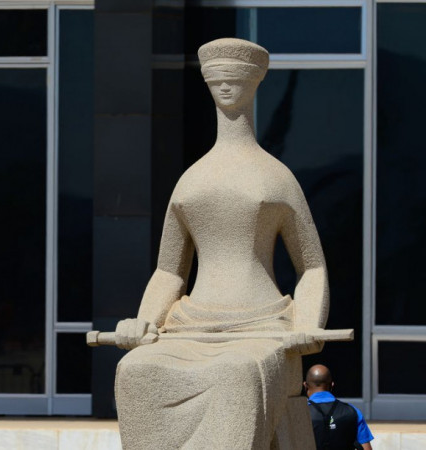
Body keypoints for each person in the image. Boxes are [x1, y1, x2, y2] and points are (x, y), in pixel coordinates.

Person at [112, 38, 329, 450]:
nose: (226, 86)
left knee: (236, 373)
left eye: (235, 79)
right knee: (136, 371)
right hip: (189, 326)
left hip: (262, 327)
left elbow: (312, 266)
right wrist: (143, 321)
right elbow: (169, 271)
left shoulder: (277, 177)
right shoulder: (191, 180)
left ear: (254, 82)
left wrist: (307, 326)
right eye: (218, 80)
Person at [305, 364, 374, 450]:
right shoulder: (353, 412)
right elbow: (366, 448)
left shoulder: (300, 414)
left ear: (305, 386)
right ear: (332, 385)